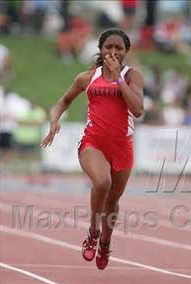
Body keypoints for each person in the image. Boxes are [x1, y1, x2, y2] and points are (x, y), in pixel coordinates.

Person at [41, 29, 144, 270]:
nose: (113, 51)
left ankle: (106, 243)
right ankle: (93, 232)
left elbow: (138, 109)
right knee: (102, 183)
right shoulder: (87, 78)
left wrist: (119, 78)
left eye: (119, 48)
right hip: (92, 143)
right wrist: (54, 120)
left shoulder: (132, 77)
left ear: (126, 52)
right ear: (100, 49)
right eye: (109, 46)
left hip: (122, 148)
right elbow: (63, 101)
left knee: (113, 203)